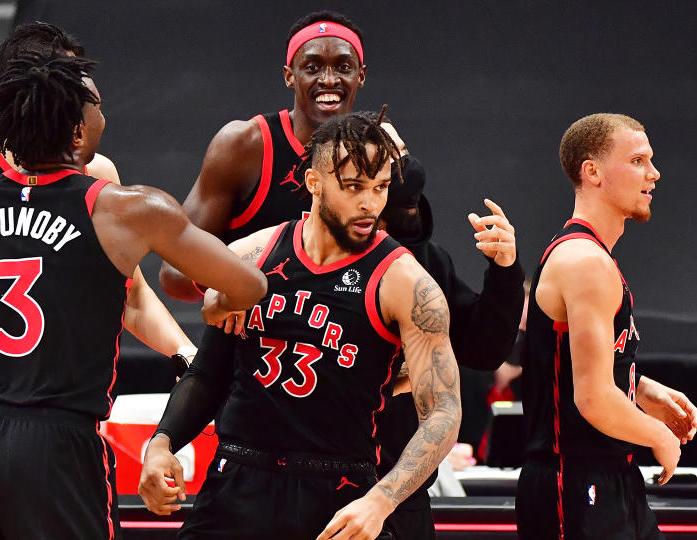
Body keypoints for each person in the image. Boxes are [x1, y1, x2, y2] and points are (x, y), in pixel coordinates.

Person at [0, 52, 266, 539]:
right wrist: (220, 300)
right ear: (78, 132)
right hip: (50, 440)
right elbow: (250, 285)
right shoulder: (128, 209)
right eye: (97, 105)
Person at [139, 111, 462, 540]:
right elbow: (207, 374)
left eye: (380, 187)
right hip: (239, 476)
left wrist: (382, 500)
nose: (370, 203)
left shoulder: (406, 282)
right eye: (353, 187)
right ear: (314, 183)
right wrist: (161, 444)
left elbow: (443, 411)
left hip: (339, 488)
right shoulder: (252, 256)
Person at [0, 21, 197, 465]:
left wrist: (187, 354)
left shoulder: (98, 173)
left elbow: (130, 296)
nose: (80, 100)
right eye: (66, 83)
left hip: (60, 411)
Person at [515, 113, 697, 539]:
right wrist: (659, 437)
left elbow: (566, 365)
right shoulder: (585, 262)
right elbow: (594, 399)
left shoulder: (591, 256)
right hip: (575, 482)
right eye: (637, 160)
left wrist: (640, 388)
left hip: (606, 478)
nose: (653, 173)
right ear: (592, 171)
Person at [160, 10, 370, 300]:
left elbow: (406, 259)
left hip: (336, 336)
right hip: (255, 335)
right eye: (312, 68)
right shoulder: (244, 145)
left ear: (360, 76)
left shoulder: (375, 154)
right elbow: (175, 273)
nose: (329, 80)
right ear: (289, 76)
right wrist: (252, 282)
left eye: (343, 67)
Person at [374, 146, 525, 538]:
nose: (401, 162)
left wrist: (504, 272)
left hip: (403, 488)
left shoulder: (430, 260)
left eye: (402, 151)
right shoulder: (306, 250)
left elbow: (484, 347)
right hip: (323, 478)